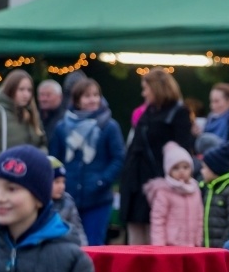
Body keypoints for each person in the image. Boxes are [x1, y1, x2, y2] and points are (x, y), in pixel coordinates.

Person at [119, 68, 193, 245]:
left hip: (159, 182)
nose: (143, 93)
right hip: (135, 182)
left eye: (146, 88)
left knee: (157, 236)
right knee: (135, 237)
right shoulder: (148, 112)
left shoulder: (178, 112)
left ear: (157, 88)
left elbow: (183, 150)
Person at [49, 78, 125, 246]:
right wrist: (61, 184)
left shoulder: (109, 126)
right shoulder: (62, 127)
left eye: (96, 95)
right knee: (65, 244)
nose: (92, 100)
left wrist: (101, 181)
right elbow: (55, 160)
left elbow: (118, 158)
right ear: (77, 100)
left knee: (93, 245)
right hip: (67, 196)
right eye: (87, 96)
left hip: (98, 198)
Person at [143, 141, 203, 247]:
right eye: (176, 168)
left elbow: (199, 217)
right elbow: (158, 220)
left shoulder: (195, 189)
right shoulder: (164, 191)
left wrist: (198, 241)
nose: (181, 171)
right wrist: (159, 246)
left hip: (191, 245)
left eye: (185, 167)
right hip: (170, 246)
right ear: (169, 170)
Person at [48, 156, 87, 246]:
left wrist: (85, 251)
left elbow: (78, 230)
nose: (62, 186)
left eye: (63, 182)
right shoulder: (33, 203)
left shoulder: (68, 201)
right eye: (56, 182)